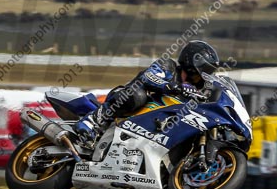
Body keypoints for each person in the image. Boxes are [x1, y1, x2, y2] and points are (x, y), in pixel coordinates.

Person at [73, 40, 221, 143]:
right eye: (201, 72)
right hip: (127, 99)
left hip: (153, 124)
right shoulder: (167, 65)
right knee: (137, 95)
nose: (202, 77)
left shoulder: (199, 91)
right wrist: (171, 87)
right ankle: (92, 120)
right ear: (191, 65)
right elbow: (148, 77)